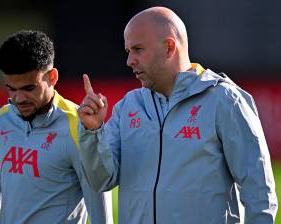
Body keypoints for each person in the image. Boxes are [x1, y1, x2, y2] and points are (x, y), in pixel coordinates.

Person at [77, 6, 278, 224]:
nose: (129, 60)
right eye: (128, 51)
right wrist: (93, 131)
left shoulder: (225, 100)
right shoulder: (128, 106)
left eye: (138, 49)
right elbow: (101, 180)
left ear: (170, 47)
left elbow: (260, 192)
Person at [0, 30, 113, 224]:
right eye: (11, 88)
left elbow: (102, 217)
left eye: (29, 88)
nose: (19, 98)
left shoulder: (80, 127)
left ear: (52, 77)